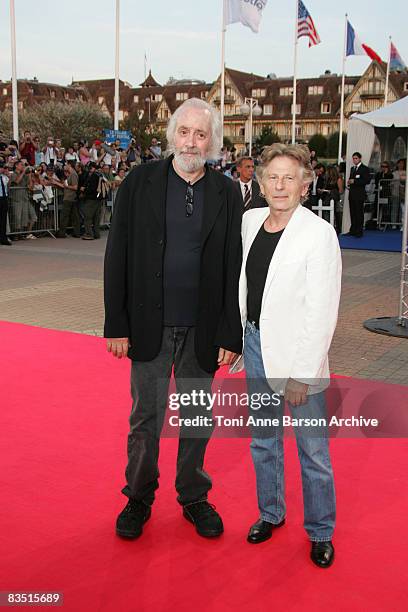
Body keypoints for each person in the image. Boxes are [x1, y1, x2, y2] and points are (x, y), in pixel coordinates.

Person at [104, 97, 243, 540]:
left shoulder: (226, 192)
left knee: (199, 417)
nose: (191, 141)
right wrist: (116, 323)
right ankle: (138, 496)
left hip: (202, 329)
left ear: (213, 142)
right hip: (147, 325)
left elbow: (232, 265)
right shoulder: (139, 182)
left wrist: (229, 331)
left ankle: (194, 496)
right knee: (146, 416)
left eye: (201, 134)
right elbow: (116, 255)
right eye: (184, 131)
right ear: (172, 136)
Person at [238, 143, 341, 568]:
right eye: (272, 177)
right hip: (255, 345)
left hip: (300, 356)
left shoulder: (318, 234)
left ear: (304, 185)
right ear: (260, 183)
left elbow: (322, 310)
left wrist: (303, 373)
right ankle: (271, 513)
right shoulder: (248, 222)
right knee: (263, 440)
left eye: (289, 178)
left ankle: (320, 531)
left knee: (312, 449)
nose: (280, 185)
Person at [346, 152, 371, 237]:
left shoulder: (364, 169)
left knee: (359, 213)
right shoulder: (352, 168)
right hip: (352, 194)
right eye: (353, 158)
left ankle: (359, 231)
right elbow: (351, 179)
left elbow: (367, 180)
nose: (354, 160)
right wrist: (349, 182)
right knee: (352, 213)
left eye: (356, 158)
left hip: (359, 194)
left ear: (360, 159)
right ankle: (353, 230)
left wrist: (355, 181)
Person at [55, 163, 80, 238]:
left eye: (66, 165)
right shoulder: (71, 175)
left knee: (65, 216)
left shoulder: (73, 175)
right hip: (69, 197)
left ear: (69, 165)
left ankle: (62, 233)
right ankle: (76, 232)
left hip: (70, 198)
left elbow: (75, 187)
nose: (64, 166)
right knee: (73, 216)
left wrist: (67, 186)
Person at [80, 162, 101, 240]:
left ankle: (89, 234)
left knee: (88, 217)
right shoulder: (100, 175)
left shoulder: (93, 176)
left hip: (91, 199)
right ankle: (96, 234)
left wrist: (84, 189)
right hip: (98, 199)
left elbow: (92, 189)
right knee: (96, 218)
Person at [0, 162, 11, 245]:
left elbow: (8, 186)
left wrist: (9, 177)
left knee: (3, 219)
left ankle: (3, 238)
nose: (2, 169)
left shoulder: (4, 177)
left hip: (4, 198)